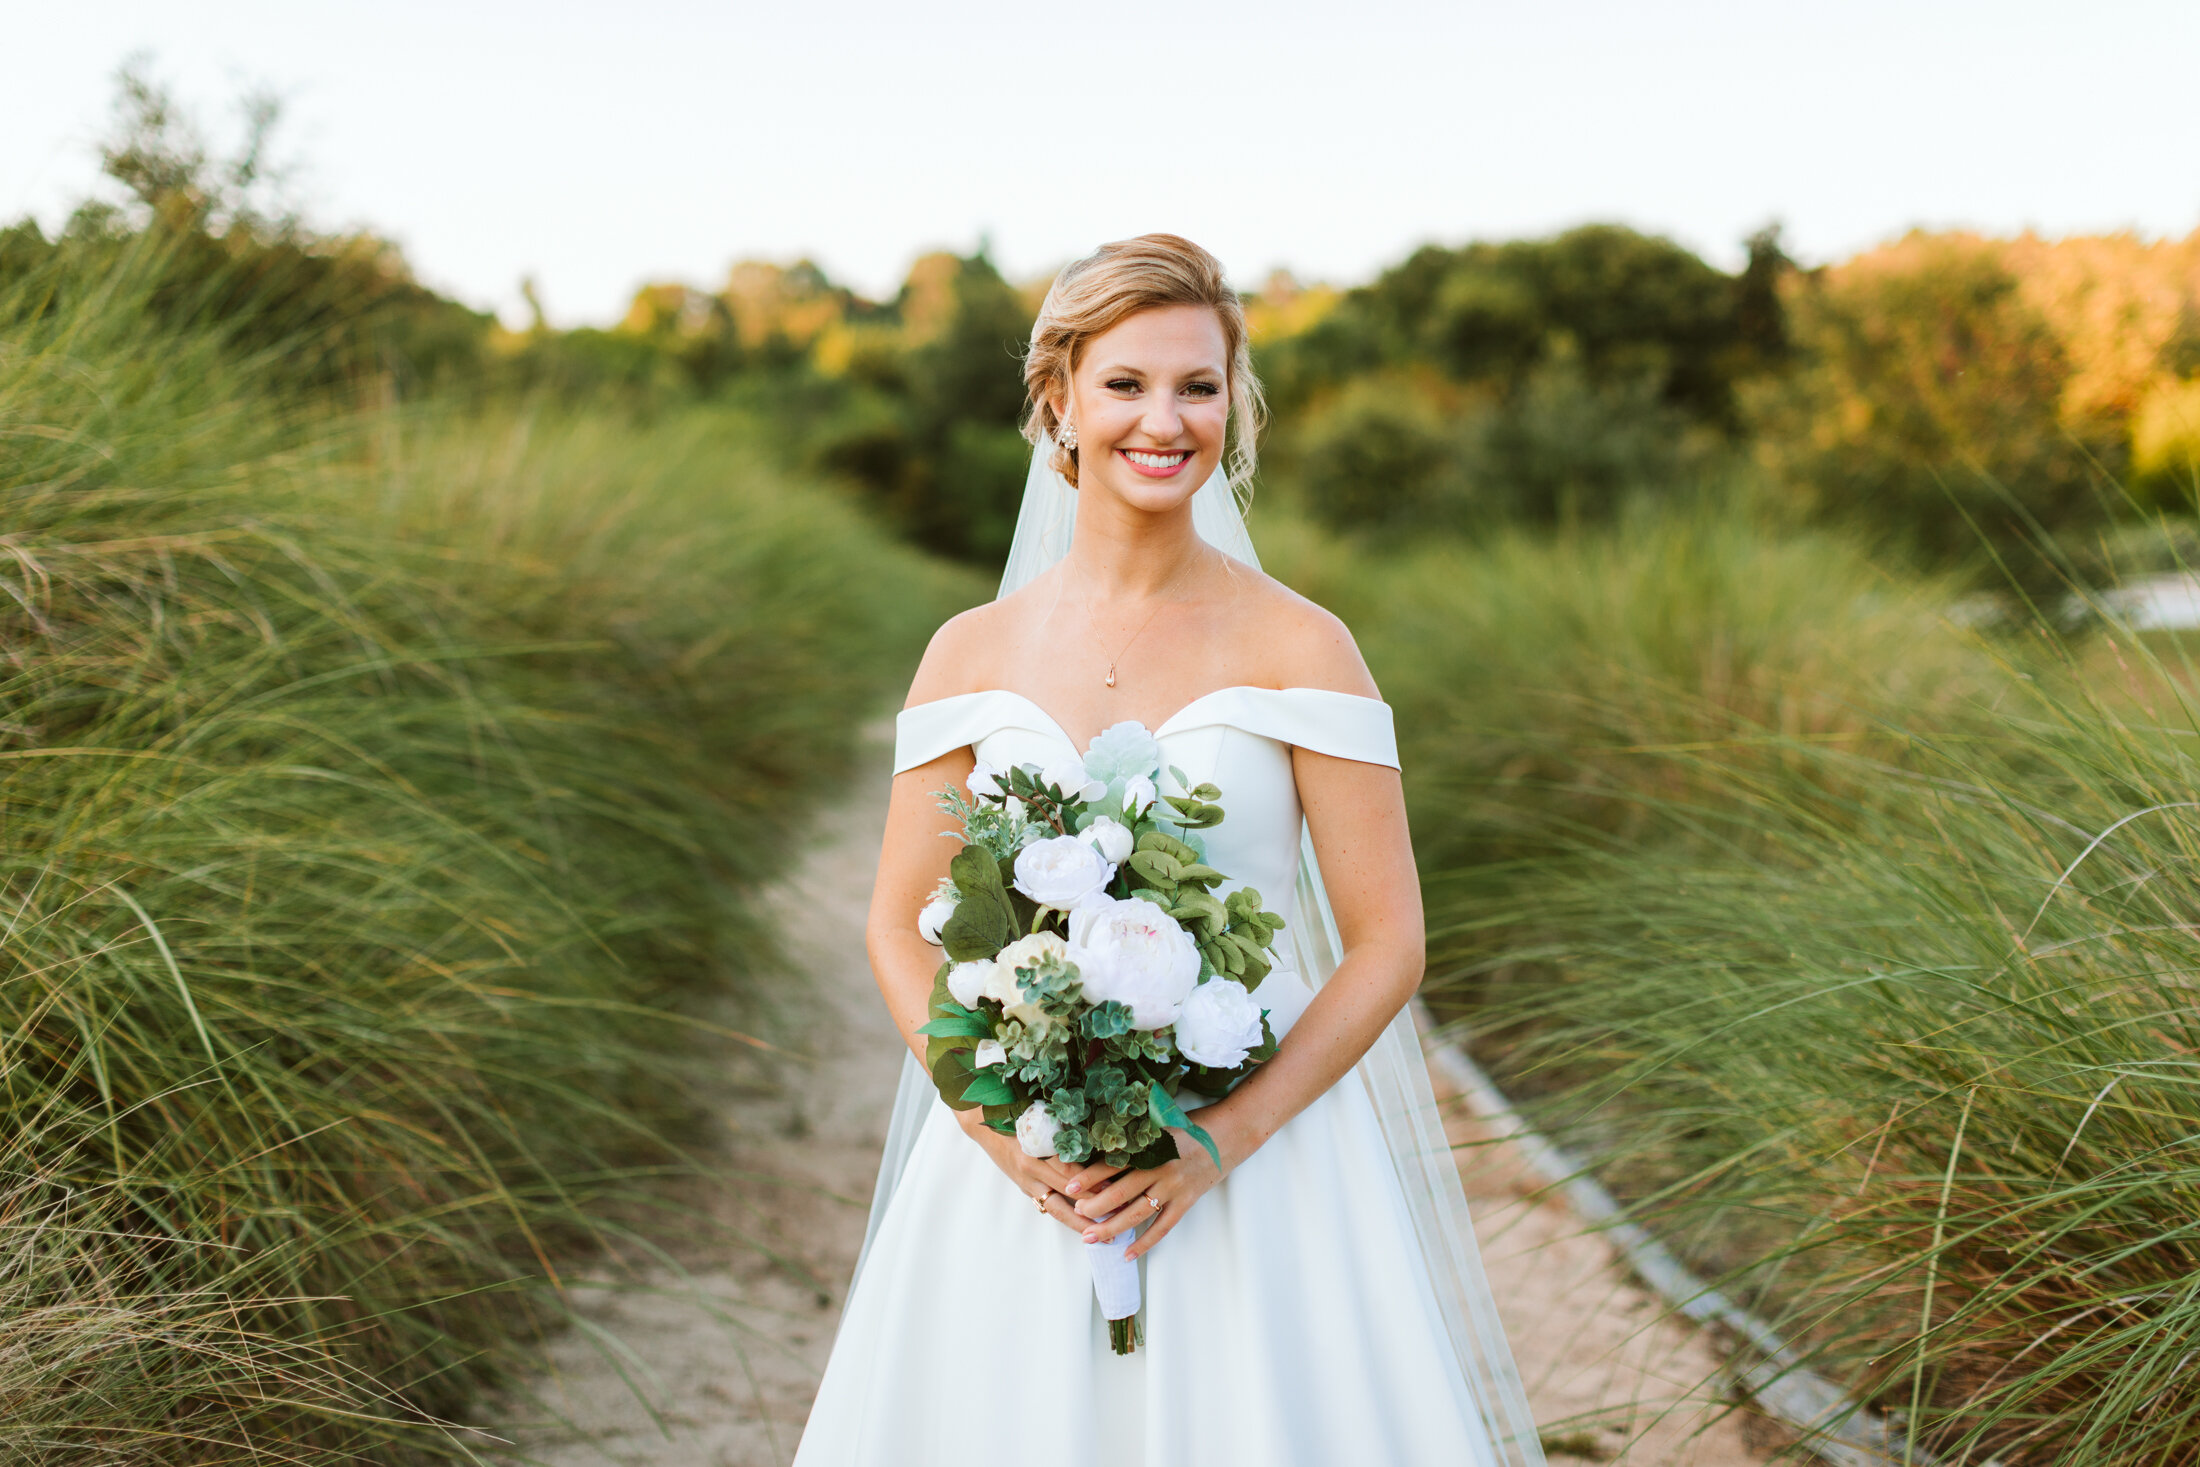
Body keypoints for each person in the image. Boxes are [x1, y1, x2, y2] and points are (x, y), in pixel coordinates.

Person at [793, 234, 1541, 1466]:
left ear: (1232, 404)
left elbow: (1388, 941)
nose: (1164, 419)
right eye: (1126, 383)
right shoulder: (967, 653)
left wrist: (1214, 1147)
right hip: (1021, 1162)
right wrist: (1000, 1133)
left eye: (1198, 386)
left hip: (1255, 1159)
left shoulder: (1306, 647)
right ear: (1060, 401)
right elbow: (894, 922)